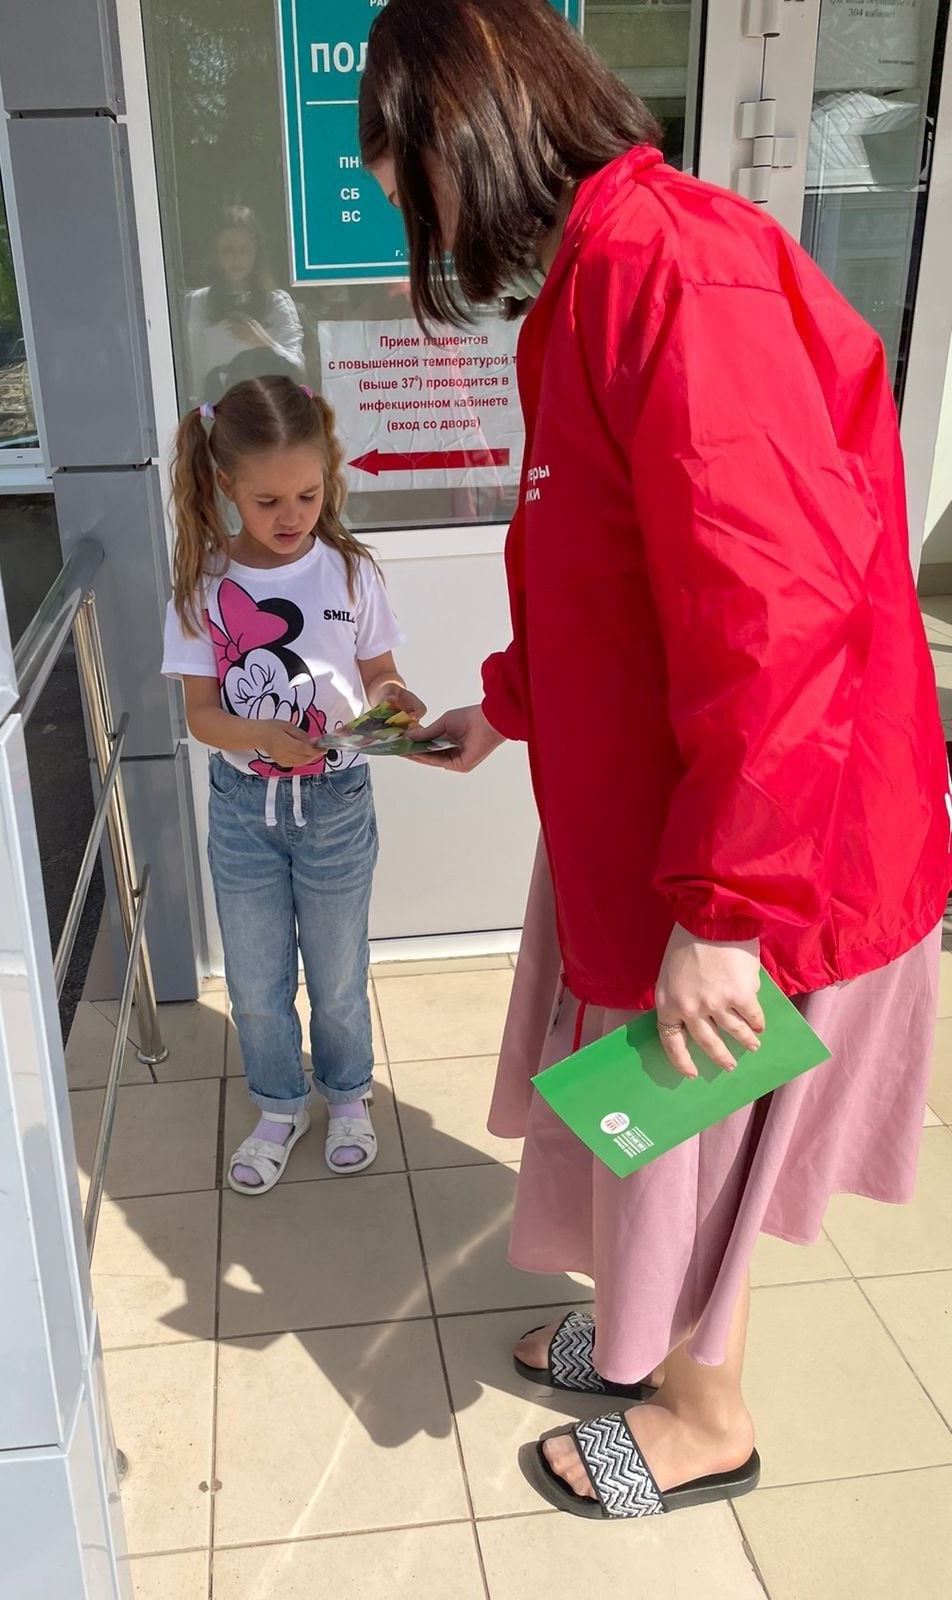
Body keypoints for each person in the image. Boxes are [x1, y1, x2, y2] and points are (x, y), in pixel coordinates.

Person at [361, 0, 951, 1521]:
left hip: (761, 847)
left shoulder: (677, 271)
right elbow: (609, 566)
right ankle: (641, 1344)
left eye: (391, 159)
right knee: (648, 1129)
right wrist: (508, 702)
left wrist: (725, 908)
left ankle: (706, 1419)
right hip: (677, 825)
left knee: (694, 1130)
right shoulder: (607, 275)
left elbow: (780, 616)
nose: (385, 195)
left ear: (464, 134)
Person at [162, 376, 423, 1193]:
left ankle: (348, 1097)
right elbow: (202, 715)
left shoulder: (349, 571)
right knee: (255, 979)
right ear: (227, 487)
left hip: (338, 804)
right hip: (244, 810)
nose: (290, 516)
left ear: (330, 480)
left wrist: (394, 700)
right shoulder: (201, 586)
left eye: (308, 494)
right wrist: (262, 737)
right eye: (268, 499)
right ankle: (280, 1105)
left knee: (340, 974)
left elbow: (379, 671)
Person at [183, 206, 305, 406]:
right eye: (227, 250)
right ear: (216, 253)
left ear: (257, 252)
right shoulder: (198, 302)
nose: (236, 259)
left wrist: (262, 342)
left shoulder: (276, 302)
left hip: (266, 407)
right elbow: (194, 372)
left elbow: (297, 369)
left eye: (244, 250)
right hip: (219, 410)